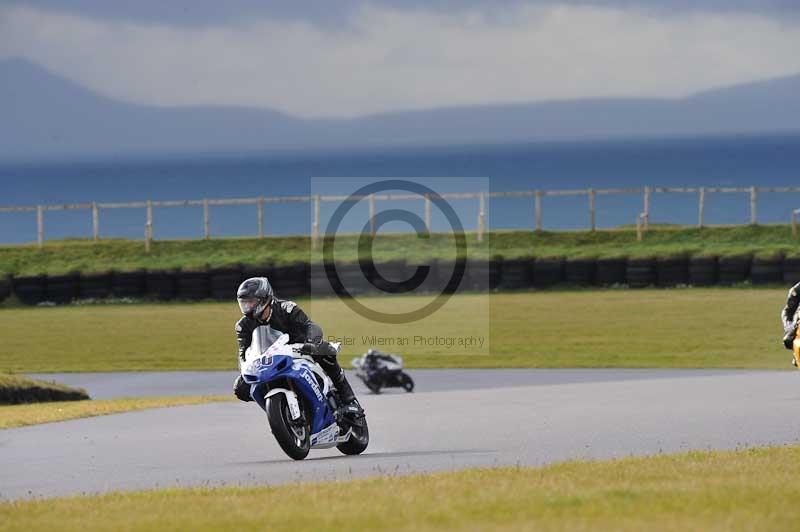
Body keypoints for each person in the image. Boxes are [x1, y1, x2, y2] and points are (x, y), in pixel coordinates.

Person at [232, 277, 362, 414]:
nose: (247, 307)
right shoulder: (242, 325)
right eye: (244, 303)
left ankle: (348, 399)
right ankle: (281, 411)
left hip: (299, 350)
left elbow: (310, 326)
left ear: (264, 299)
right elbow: (243, 353)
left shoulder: (287, 309)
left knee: (325, 351)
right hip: (268, 361)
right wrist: (245, 368)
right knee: (240, 388)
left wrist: (311, 343)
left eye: (251, 302)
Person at [781, 281, 800, 357]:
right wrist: (788, 326)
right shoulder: (797, 289)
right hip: (799, 324)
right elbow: (788, 310)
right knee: (788, 340)